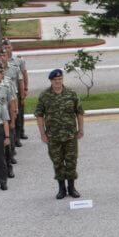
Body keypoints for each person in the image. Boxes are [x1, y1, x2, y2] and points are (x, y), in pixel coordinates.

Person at [35, 69, 84, 199]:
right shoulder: (44, 96)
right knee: (57, 162)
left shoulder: (71, 94)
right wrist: (42, 134)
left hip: (70, 135)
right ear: (51, 81)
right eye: (55, 80)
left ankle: (72, 188)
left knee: (71, 161)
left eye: (60, 79)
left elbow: (79, 112)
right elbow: (39, 115)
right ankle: (61, 189)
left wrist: (81, 129)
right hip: (53, 136)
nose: (58, 82)